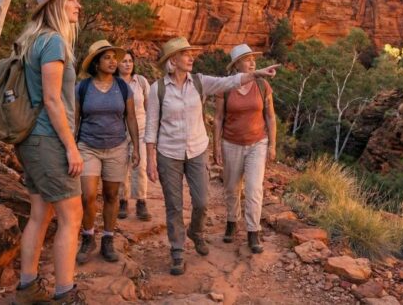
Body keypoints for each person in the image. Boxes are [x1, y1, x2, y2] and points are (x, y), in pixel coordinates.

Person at [144, 37, 279, 276]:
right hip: (168, 153)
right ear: (173, 60)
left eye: (190, 54)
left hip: (196, 151)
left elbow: (230, 81)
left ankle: (196, 231)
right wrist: (151, 160)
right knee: (174, 206)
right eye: (186, 54)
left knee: (202, 202)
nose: (191, 57)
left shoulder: (200, 82)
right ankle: (177, 251)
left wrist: (256, 73)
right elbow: (151, 126)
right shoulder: (158, 89)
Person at [12, 0, 87, 304]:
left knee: (40, 214)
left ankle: (27, 290)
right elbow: (53, 100)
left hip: (30, 140)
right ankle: (65, 293)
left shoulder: (32, 40)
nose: (78, 5)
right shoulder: (54, 41)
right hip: (49, 140)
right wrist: (71, 147)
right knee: (73, 216)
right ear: (56, 4)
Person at [74, 40, 140, 264]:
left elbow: (130, 118)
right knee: (88, 196)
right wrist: (71, 148)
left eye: (115, 57)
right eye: (108, 58)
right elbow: (76, 119)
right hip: (87, 146)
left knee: (112, 196)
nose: (114, 62)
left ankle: (108, 239)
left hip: (117, 147)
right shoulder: (82, 87)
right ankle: (88, 236)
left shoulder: (123, 87)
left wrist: (137, 148)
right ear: (96, 62)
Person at [213, 44, 276, 254]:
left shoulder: (262, 85)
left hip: (258, 143)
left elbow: (270, 115)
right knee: (231, 187)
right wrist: (216, 146)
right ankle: (232, 221)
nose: (252, 62)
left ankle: (253, 231)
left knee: (254, 188)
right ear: (237, 64)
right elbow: (219, 118)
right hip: (231, 143)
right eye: (247, 59)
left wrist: (273, 144)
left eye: (253, 58)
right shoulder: (226, 87)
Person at [115, 50, 152, 221]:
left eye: (130, 61)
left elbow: (149, 106)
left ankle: (141, 201)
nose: (128, 64)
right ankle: (123, 200)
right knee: (122, 167)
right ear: (117, 64)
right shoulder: (113, 83)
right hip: (119, 131)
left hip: (142, 129)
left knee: (141, 165)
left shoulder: (141, 82)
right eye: (124, 61)